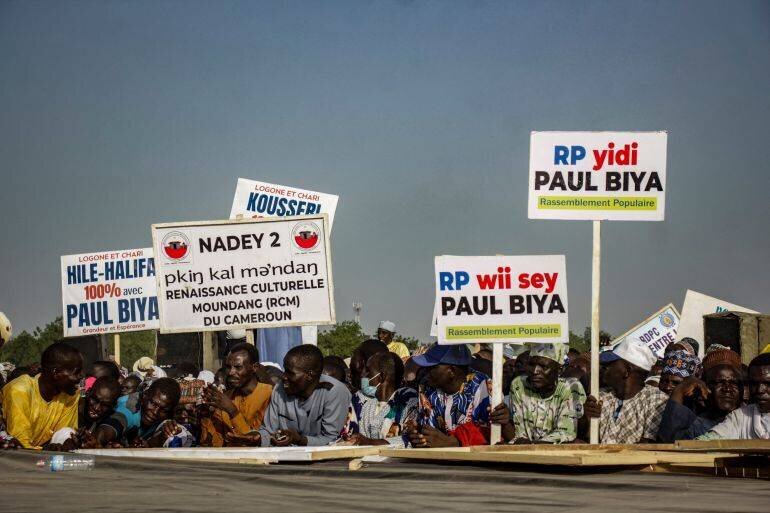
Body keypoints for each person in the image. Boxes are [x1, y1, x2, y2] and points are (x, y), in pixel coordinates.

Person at [492, 343, 585, 444]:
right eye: (532, 365)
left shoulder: (571, 387)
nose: (535, 371)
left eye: (543, 367)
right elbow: (520, 434)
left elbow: (565, 433)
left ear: (559, 369)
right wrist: (505, 422)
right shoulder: (519, 384)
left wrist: (530, 445)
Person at [258, 344, 351, 446]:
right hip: (284, 457)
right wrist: (257, 439)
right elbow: (267, 430)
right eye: (285, 370)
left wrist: (300, 440)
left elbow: (332, 439)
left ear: (309, 375)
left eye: (290, 373)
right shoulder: (279, 389)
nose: (284, 376)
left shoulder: (334, 392)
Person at [584, 338, 667, 444]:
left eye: (611, 364)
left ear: (627, 371)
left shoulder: (656, 400)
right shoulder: (601, 396)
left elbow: (647, 447)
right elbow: (589, 441)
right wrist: (588, 420)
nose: (605, 368)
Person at [2, 342, 82, 449]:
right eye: (76, 372)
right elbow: (20, 445)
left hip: (41, 456)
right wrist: (47, 451)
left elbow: (63, 436)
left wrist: (67, 444)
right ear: (56, 373)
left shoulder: (71, 394)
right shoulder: (19, 390)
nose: (81, 376)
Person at [407, 344, 491, 447]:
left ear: (452, 371)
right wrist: (420, 435)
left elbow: (492, 434)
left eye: (432, 367)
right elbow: (429, 429)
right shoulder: (427, 387)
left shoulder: (482, 386)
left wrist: (453, 442)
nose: (426, 371)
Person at [657, 348, 742, 442]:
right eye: (719, 382)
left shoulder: (751, 417)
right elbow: (668, 444)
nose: (727, 389)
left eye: (734, 383)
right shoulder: (696, 425)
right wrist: (679, 390)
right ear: (705, 386)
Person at [199, 343, 273, 447]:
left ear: (254, 367)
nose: (231, 372)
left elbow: (255, 441)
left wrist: (232, 411)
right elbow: (214, 444)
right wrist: (206, 417)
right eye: (228, 367)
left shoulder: (269, 395)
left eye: (238, 367)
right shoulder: (226, 397)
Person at [343, 351, 418, 446]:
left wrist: (370, 442)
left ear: (381, 377)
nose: (363, 375)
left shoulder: (407, 399)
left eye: (368, 371)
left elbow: (411, 440)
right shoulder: (368, 404)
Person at [94, 377, 185, 447]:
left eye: (163, 410)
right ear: (144, 396)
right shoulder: (130, 408)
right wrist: (96, 443)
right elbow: (111, 426)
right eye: (152, 403)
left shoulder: (168, 417)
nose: (155, 412)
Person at [697, 353, 770, 440]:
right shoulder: (740, 417)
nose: (760, 390)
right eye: (754, 384)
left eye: (768, 383)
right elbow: (708, 442)